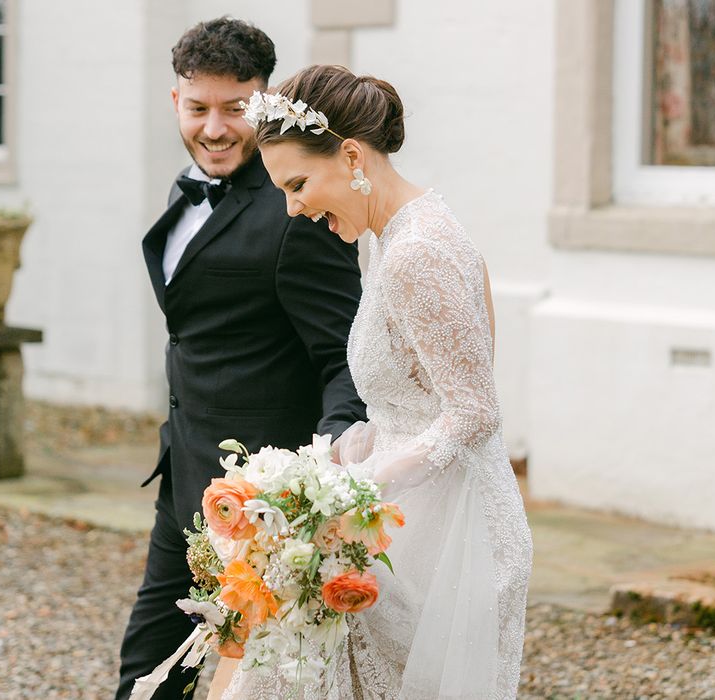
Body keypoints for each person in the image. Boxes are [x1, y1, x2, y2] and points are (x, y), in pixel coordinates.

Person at [210, 64, 533, 699]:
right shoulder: (385, 240)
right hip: (405, 514)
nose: (293, 208)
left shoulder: (419, 250)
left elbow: (473, 411)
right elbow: (416, 395)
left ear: (352, 155)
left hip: (446, 536)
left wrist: (351, 489)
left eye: (298, 183)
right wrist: (344, 453)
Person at [115, 22, 366, 700]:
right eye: (199, 109)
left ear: (265, 104)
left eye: (235, 109)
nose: (216, 129)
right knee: (146, 674)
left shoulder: (297, 209)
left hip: (261, 512)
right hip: (183, 484)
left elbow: (348, 359)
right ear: (176, 102)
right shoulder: (187, 190)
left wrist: (325, 468)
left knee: (252, 684)